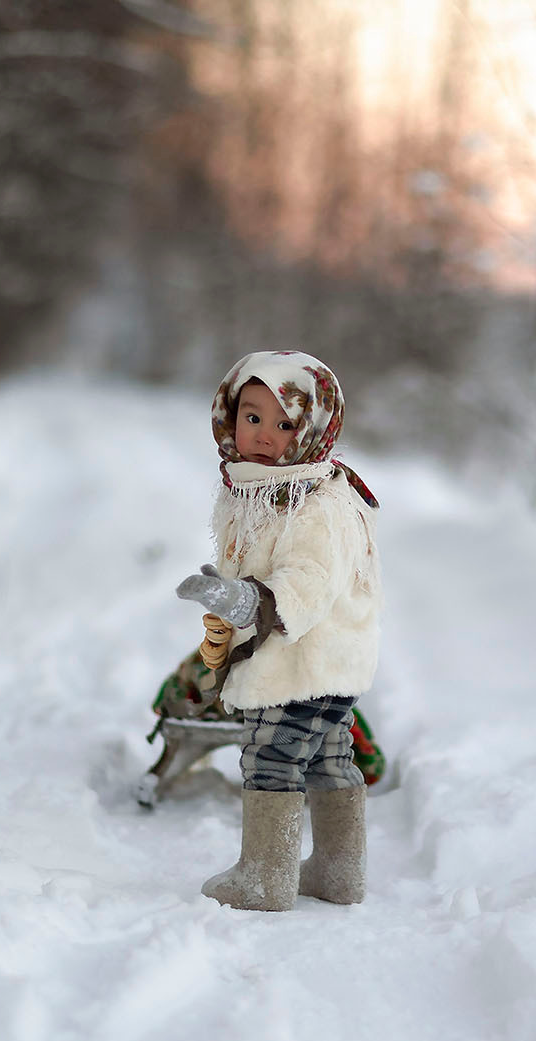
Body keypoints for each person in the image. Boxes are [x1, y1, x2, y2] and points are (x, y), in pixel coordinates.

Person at [175, 350, 381, 911]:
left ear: (313, 428)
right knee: (328, 757)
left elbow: (305, 583)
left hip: (301, 663)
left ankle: (265, 877)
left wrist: (245, 601)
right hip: (326, 664)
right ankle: (339, 872)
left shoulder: (316, 504)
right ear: (229, 416)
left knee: (271, 758)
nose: (265, 435)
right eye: (252, 417)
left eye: (286, 424)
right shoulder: (266, 486)